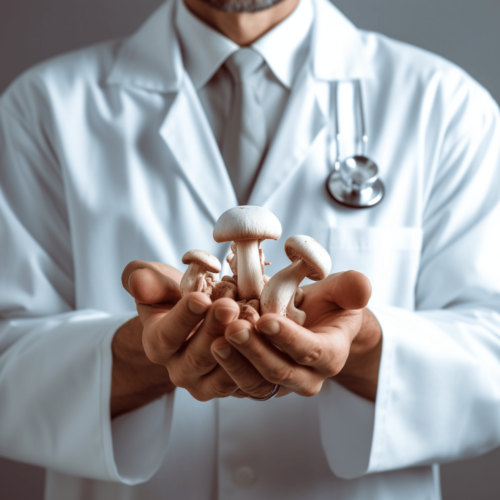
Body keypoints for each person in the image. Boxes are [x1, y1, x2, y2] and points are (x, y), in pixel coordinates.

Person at [1, 0, 500, 497]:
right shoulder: (41, 108)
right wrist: (140, 354)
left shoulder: (447, 104)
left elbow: (491, 358)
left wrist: (365, 345)